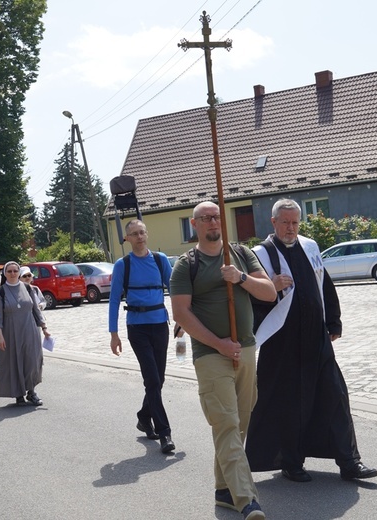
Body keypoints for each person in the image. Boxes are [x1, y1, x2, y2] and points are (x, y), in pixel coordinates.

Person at [245, 198, 377, 483]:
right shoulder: (260, 254)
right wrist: (272, 287)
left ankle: (349, 461)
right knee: (288, 402)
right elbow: (249, 296)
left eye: (295, 222)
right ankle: (291, 462)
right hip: (281, 341)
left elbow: (324, 284)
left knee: (335, 396)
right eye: (285, 222)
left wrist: (333, 320)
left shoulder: (309, 246)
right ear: (273, 222)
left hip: (316, 336)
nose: (291, 228)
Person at [170, 202, 276, 520]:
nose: (212, 222)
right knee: (226, 423)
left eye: (216, 216)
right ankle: (247, 500)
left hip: (246, 350)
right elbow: (180, 314)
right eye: (205, 218)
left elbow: (269, 292)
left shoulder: (241, 254)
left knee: (239, 424)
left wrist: (240, 278)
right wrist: (218, 343)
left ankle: (223, 490)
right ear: (194, 225)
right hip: (210, 354)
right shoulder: (186, 265)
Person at [107, 219, 175, 453]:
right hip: (137, 328)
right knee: (152, 380)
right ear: (127, 239)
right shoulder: (122, 265)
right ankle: (164, 433)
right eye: (134, 234)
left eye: (142, 232)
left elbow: (175, 290)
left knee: (159, 379)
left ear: (147, 234)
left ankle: (144, 417)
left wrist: (183, 322)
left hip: (160, 325)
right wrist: (113, 334)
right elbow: (114, 299)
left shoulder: (160, 260)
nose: (139, 237)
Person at [0, 261, 50, 406]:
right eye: (9, 271)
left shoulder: (28, 288)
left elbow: (35, 310)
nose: (12, 274)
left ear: (19, 272)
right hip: (10, 331)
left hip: (30, 329)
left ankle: (31, 392)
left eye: (15, 271)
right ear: (5, 273)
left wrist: (44, 327)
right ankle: (18, 393)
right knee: (15, 361)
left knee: (32, 360)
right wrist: (0, 336)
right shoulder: (1, 292)